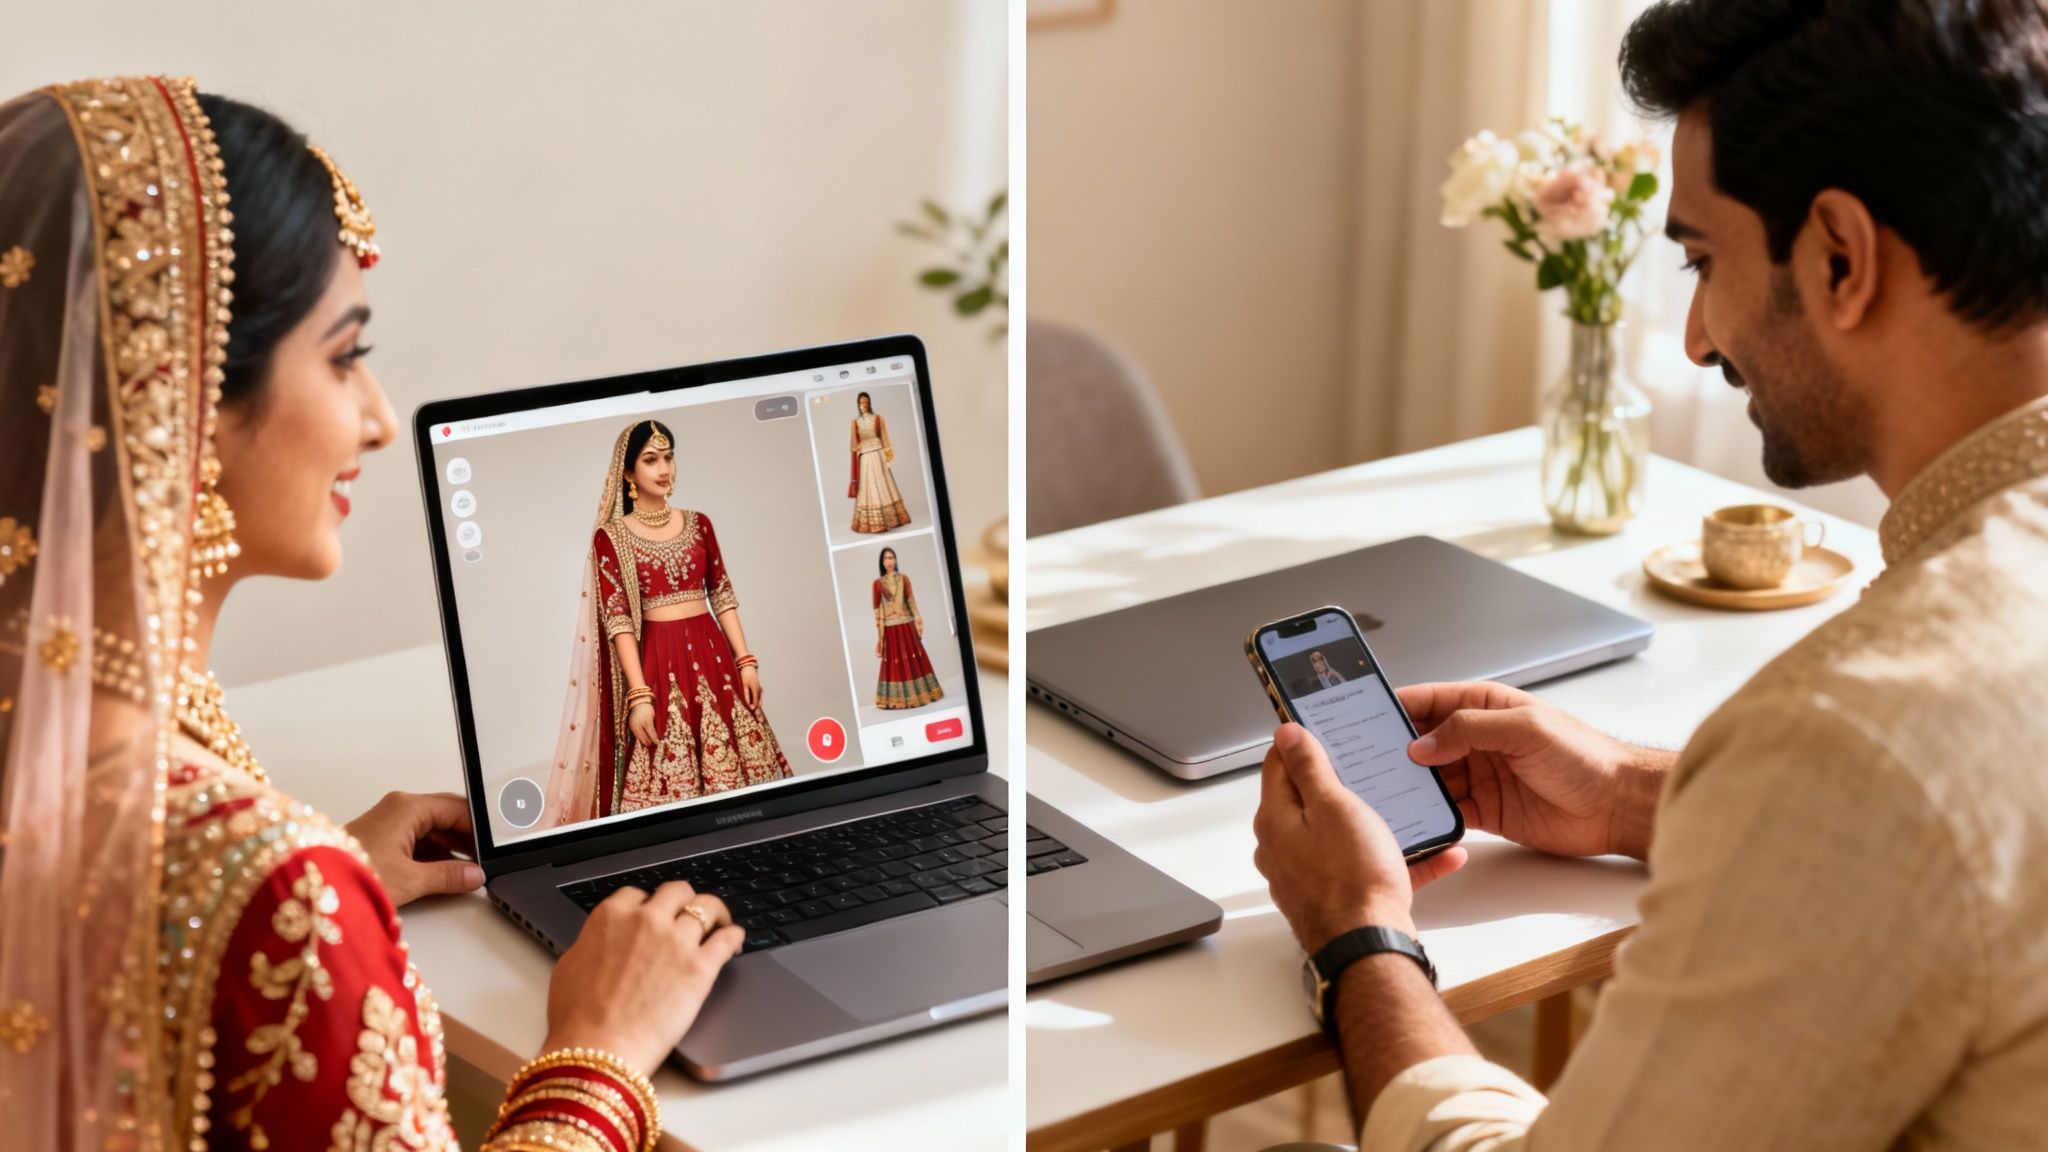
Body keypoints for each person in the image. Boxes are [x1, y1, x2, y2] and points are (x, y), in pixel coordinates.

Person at [1251, 3, 2048, 1148]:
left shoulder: (1857, 735)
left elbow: (1884, 797)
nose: (1692, 338)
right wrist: (1633, 793)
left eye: (1701, 259)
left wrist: (1356, 938)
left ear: (1838, 257)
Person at [0, 76, 744, 1152]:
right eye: (346, 356)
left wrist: (278, 906)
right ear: (180, 402)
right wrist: (602, 1049)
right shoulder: (277, 891)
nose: (381, 420)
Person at [543, 420, 791, 825]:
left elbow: (722, 594)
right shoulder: (612, 537)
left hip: (714, 659)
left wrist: (745, 660)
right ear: (628, 473)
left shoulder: (699, 523)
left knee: (745, 791)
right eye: (651, 460)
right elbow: (618, 619)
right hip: (660, 663)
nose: (665, 469)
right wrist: (639, 695)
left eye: (669, 457)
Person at [873, 546, 943, 709]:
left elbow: (910, 601)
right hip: (890, 628)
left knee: (914, 657)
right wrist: (880, 634)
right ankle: (896, 700)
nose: (889, 561)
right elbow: (877, 609)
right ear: (882, 563)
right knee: (894, 662)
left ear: (896, 560)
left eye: (891, 557)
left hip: (906, 624)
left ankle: (923, 694)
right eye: (885, 558)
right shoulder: (877, 584)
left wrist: (918, 618)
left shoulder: (904, 579)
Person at [848, 390, 911, 533]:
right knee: (869, 487)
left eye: (865, 401)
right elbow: (853, 445)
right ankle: (875, 523)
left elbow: (885, 437)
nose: (863, 404)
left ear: (869, 403)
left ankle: (890, 520)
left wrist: (887, 456)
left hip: (878, 455)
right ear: (858, 404)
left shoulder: (878, 419)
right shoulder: (855, 423)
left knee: (882, 485)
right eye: (861, 402)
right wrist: (861, 451)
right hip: (865, 458)